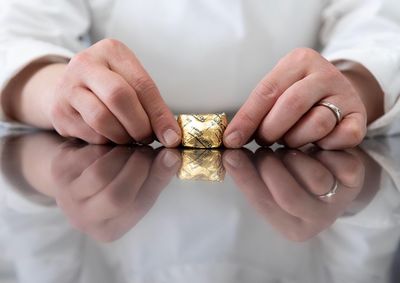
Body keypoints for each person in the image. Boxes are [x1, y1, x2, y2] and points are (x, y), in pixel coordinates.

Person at [0, 0, 399, 149]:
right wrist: (59, 92)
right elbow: (20, 38)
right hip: (119, 211)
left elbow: (379, 28)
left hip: (302, 154)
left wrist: (352, 88)